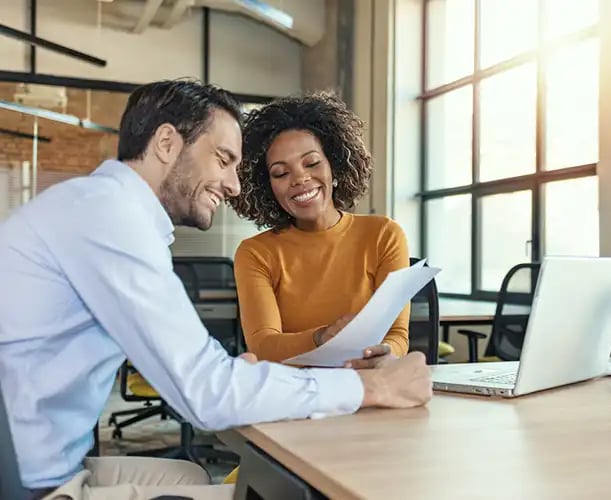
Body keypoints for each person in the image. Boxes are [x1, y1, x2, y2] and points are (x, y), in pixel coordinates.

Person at [0, 80, 432, 500]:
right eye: (224, 159)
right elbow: (205, 394)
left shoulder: (99, 207)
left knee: (192, 476)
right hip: (31, 483)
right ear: (167, 143)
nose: (235, 185)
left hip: (44, 461)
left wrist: (229, 377)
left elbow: (200, 379)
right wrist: (372, 389)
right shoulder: (108, 218)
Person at [230, 92, 410, 368]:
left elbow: (397, 335)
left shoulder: (384, 234)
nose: (300, 179)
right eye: (280, 173)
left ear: (335, 168)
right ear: (268, 188)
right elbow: (263, 346)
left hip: (367, 382)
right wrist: (322, 337)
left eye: (312, 163)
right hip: (293, 391)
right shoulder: (255, 253)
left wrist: (385, 354)